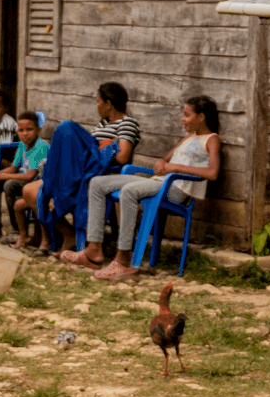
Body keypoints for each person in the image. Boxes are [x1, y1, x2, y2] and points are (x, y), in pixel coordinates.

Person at [64, 95, 220, 281]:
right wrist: (162, 163)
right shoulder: (188, 138)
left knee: (130, 191)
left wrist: (175, 168)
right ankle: (93, 250)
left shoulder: (212, 139)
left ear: (201, 117)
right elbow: (166, 159)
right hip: (160, 182)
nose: (183, 119)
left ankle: (123, 259)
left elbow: (212, 173)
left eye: (187, 115)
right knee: (98, 183)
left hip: (178, 190)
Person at [23, 83, 141, 255]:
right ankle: (68, 234)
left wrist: (100, 149)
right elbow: (89, 148)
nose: (97, 106)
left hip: (100, 172)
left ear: (108, 104)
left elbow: (122, 157)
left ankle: (58, 194)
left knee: (67, 128)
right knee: (29, 191)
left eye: (98, 102)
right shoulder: (103, 124)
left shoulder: (127, 123)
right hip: (80, 170)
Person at [0, 110, 48, 242]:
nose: (25, 133)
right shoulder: (22, 145)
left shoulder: (41, 146)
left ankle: (17, 231)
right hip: (24, 181)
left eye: (29, 129)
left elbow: (30, 176)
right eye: (21, 130)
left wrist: (1, 176)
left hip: (37, 184)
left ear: (38, 130)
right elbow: (14, 168)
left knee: (10, 184)